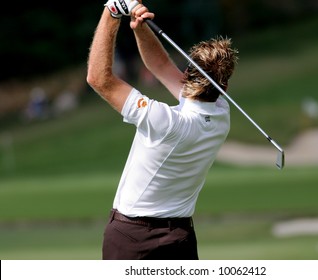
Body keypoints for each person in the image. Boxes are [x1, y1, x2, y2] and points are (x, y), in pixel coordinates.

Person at [87, 0, 238, 260]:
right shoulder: (221, 114)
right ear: (223, 87)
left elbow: (99, 79)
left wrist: (112, 12)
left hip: (133, 238)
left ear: (189, 72)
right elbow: (160, 65)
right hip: (181, 236)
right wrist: (139, 26)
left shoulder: (166, 122)